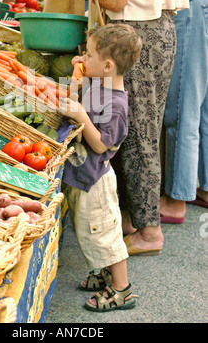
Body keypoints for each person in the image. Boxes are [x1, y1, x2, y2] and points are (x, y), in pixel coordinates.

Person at [50, 0, 189, 255]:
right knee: (143, 128)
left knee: (138, 133)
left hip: (136, 34)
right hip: (161, 28)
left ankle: (148, 231)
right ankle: (132, 219)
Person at [60, 23, 142, 312]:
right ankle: (102, 272)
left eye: (89, 54)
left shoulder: (117, 104)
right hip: (82, 175)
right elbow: (70, 101)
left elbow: (101, 146)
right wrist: (76, 75)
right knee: (87, 230)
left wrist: (81, 114)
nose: (83, 57)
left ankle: (122, 290)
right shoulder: (97, 86)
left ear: (107, 66)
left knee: (105, 234)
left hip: (97, 180)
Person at [140, 0, 208, 221]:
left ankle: (176, 199)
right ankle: (201, 187)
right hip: (204, 3)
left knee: (181, 108)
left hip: (192, 5)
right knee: (202, 105)